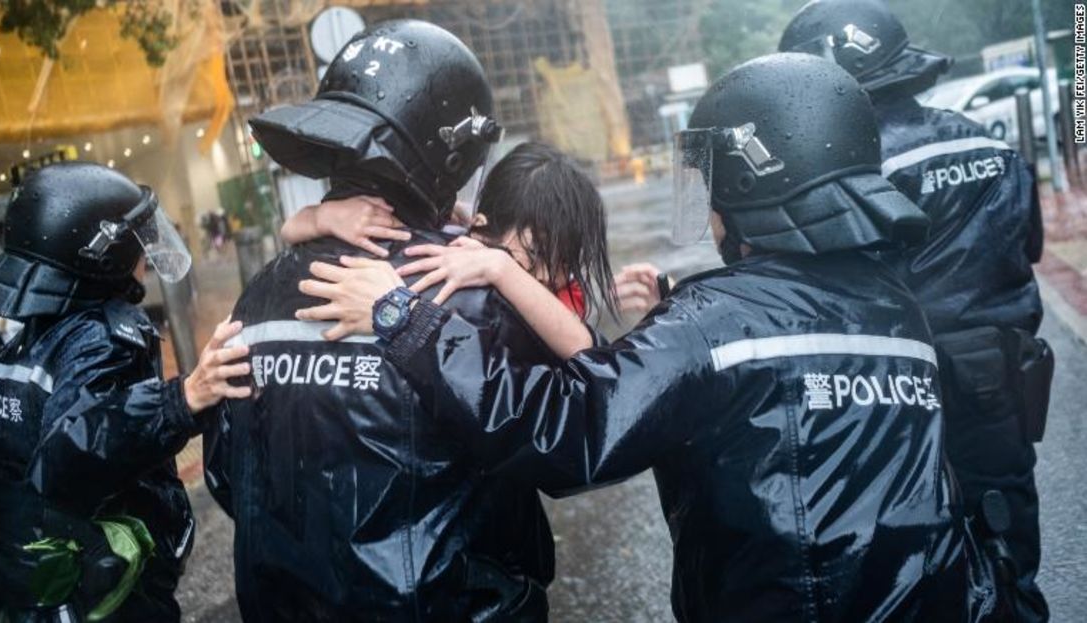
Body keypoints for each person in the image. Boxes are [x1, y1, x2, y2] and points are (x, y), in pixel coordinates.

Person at [293, 53, 999, 621]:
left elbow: (574, 431)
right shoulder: (897, 310)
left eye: (713, 187)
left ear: (754, 189)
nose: (710, 210)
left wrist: (402, 319)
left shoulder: (711, 325)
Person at [202, 20, 575, 621]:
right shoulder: (465, 288)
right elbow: (564, 446)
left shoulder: (260, 291)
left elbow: (227, 469)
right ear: (454, 155)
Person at [778, 2, 1052, 620]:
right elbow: (1027, 248)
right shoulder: (992, 144)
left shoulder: (850, 175)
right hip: (1002, 383)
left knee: (909, 568)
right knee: (1010, 555)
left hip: (897, 397)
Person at [0, 162, 249, 622]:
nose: (145, 252)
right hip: (98, 592)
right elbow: (70, 452)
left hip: (19, 576)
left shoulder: (11, 333)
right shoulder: (100, 336)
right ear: (100, 252)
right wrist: (183, 398)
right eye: (138, 239)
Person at [284, 140, 618, 358]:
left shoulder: (548, 292)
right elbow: (289, 230)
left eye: (566, 260)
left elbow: (582, 349)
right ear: (481, 226)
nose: (548, 274)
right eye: (538, 252)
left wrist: (501, 269)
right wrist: (323, 216)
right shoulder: (451, 244)